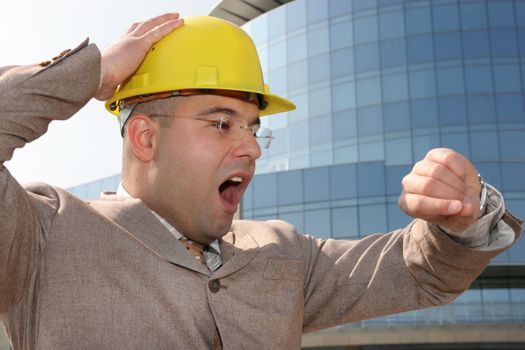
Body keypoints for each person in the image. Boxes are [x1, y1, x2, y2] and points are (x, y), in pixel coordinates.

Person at [0, 13, 521, 350]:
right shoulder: (43, 234)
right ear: (144, 138)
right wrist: (92, 71)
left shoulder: (284, 254)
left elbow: (420, 272)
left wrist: (460, 222)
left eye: (253, 128)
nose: (249, 147)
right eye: (222, 123)